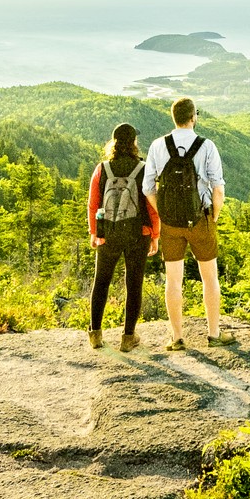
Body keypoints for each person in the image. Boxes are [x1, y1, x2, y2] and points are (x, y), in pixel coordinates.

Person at [143, 97, 229, 350]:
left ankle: (177, 338)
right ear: (193, 117)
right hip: (201, 218)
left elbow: (148, 188)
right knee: (209, 278)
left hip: (170, 222)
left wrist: (163, 212)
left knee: (173, 281)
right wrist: (213, 216)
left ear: (174, 118)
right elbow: (218, 188)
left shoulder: (158, 145)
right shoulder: (206, 146)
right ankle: (214, 334)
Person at [85, 122, 158, 352]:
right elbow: (152, 206)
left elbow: (93, 204)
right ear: (134, 142)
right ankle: (128, 337)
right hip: (138, 233)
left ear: (114, 143)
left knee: (101, 282)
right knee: (134, 284)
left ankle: (95, 335)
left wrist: (94, 233)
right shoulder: (143, 169)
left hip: (109, 233)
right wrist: (155, 235)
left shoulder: (102, 169)